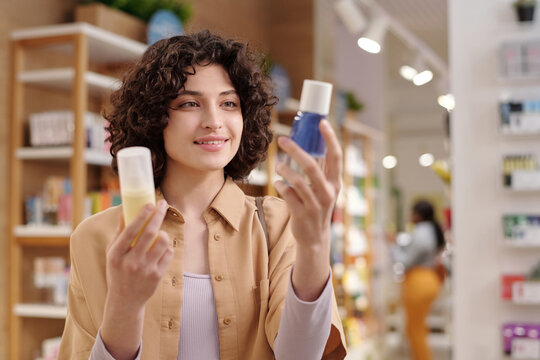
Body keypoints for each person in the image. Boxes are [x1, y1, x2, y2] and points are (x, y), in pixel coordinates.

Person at [58, 30, 346, 360]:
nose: (214, 121)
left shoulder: (280, 224)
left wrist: (314, 246)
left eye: (228, 103)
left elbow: (299, 356)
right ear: (155, 117)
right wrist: (124, 304)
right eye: (190, 103)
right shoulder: (96, 238)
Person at [390, 200, 446, 360]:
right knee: (418, 327)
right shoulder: (431, 230)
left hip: (418, 282)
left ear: (418, 214)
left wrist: (393, 246)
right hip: (430, 280)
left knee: (415, 330)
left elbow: (406, 260)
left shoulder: (421, 232)